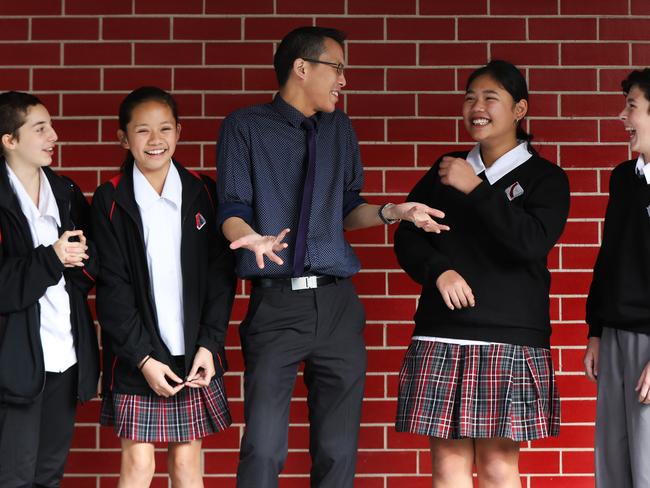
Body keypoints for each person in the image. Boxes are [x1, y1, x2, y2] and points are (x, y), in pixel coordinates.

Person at [216, 26, 447, 488]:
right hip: (277, 304)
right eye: (337, 68)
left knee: (338, 452)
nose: (343, 80)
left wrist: (392, 212)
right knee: (264, 448)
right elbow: (233, 208)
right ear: (302, 68)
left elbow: (346, 208)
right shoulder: (244, 127)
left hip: (338, 307)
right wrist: (251, 239)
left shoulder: (340, 129)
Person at [393, 60, 570, 488]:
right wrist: (439, 272)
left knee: (497, 467)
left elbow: (528, 242)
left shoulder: (546, 178)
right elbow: (408, 235)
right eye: (470, 97)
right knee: (447, 465)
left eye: (491, 97)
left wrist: (475, 187)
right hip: (443, 331)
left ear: (520, 110)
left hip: (509, 336)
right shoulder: (445, 168)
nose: (477, 106)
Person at [92, 86, 235, 488]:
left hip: (192, 354)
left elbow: (221, 278)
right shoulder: (110, 199)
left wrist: (210, 344)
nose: (155, 140)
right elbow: (112, 287)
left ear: (179, 133)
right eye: (142, 131)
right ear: (123, 138)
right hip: (138, 354)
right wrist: (142, 358)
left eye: (165, 129)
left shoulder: (202, 192)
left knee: (187, 466)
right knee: (137, 466)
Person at [0, 91, 99, 487]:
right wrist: (52, 258)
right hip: (14, 365)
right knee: (13, 479)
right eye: (40, 129)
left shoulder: (66, 192)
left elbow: (93, 268)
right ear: (9, 139)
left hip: (66, 358)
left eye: (51, 126)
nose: (53, 136)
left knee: (49, 477)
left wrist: (82, 262)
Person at [584, 68, 650, 488]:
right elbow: (609, 260)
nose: (622, 117)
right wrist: (595, 332)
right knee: (614, 466)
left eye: (632, 106)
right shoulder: (624, 179)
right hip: (614, 337)